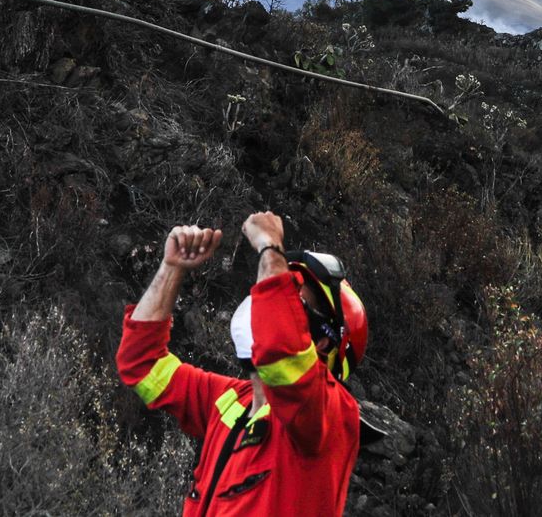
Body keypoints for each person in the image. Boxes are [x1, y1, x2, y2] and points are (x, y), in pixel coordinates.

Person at [116, 211, 368, 516]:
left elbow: (279, 347)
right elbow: (141, 363)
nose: (262, 300)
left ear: (322, 341)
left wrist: (270, 247)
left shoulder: (330, 416)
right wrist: (172, 268)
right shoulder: (230, 402)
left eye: (288, 295)